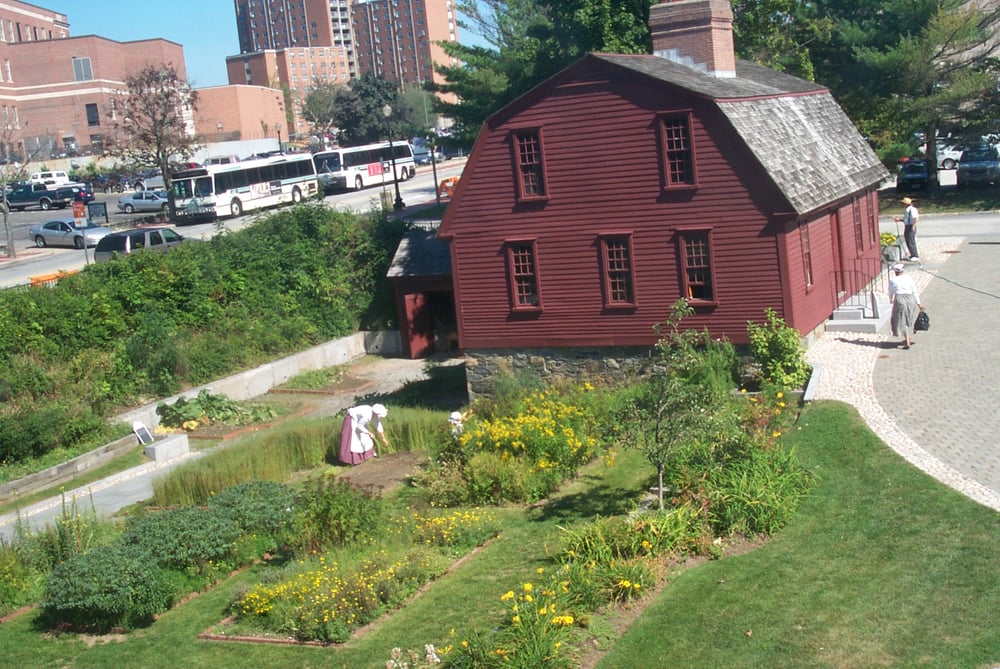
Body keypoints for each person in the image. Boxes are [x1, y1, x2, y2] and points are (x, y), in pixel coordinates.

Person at [888, 263, 923, 349]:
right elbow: (914, 291)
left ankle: (907, 339)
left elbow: (891, 292)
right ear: (902, 271)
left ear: (895, 272)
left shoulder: (892, 280)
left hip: (900, 299)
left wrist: (891, 299)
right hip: (910, 299)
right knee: (908, 317)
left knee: (900, 319)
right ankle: (909, 334)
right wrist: (919, 303)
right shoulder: (909, 278)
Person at [894, 197, 920, 261]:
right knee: (908, 240)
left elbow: (916, 218)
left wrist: (913, 226)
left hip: (910, 226)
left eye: (903, 203)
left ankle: (915, 255)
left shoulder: (912, 210)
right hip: (908, 226)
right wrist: (899, 220)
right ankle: (912, 254)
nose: (902, 204)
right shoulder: (907, 210)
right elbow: (907, 219)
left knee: (911, 241)